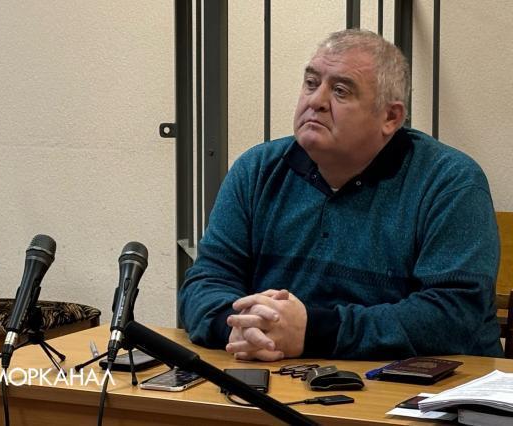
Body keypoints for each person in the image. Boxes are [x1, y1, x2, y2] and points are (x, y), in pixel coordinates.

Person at [178, 29, 503, 361]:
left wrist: (314, 332)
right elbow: (205, 282)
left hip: (421, 385)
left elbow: (453, 316)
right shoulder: (257, 170)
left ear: (390, 117)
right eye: (311, 83)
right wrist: (237, 328)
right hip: (280, 373)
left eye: (340, 91)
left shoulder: (449, 182)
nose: (316, 101)